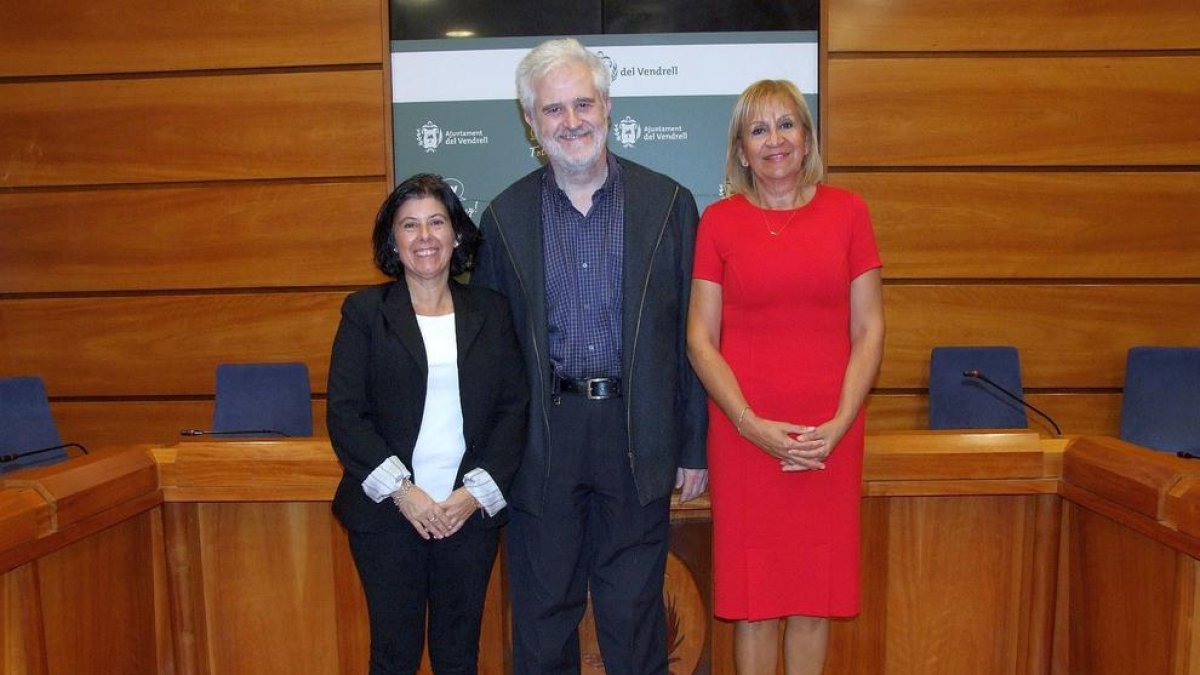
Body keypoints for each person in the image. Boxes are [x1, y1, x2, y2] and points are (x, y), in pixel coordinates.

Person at [471, 38, 708, 675]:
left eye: (582, 103)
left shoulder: (669, 206)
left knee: (633, 613)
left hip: (638, 429)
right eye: (553, 110)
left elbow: (693, 337)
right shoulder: (505, 217)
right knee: (544, 614)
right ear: (531, 122)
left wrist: (694, 446)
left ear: (606, 105)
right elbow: (490, 356)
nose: (571, 121)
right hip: (544, 437)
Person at [686, 79, 885, 675]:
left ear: (807, 138)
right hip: (745, 439)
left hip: (829, 438)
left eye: (787, 124)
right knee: (755, 603)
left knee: (813, 599)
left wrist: (839, 425)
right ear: (741, 151)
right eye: (759, 129)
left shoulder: (849, 212)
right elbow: (700, 338)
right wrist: (750, 425)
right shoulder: (718, 222)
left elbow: (870, 330)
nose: (775, 139)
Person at [327, 173, 528, 675]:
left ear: (456, 233)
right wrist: (406, 493)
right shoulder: (365, 312)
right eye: (410, 225)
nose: (425, 237)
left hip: (467, 514)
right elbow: (346, 413)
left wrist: (470, 496)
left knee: (459, 655)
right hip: (390, 515)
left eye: (436, 222)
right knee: (393, 655)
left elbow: (513, 408)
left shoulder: (491, 311)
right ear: (393, 240)